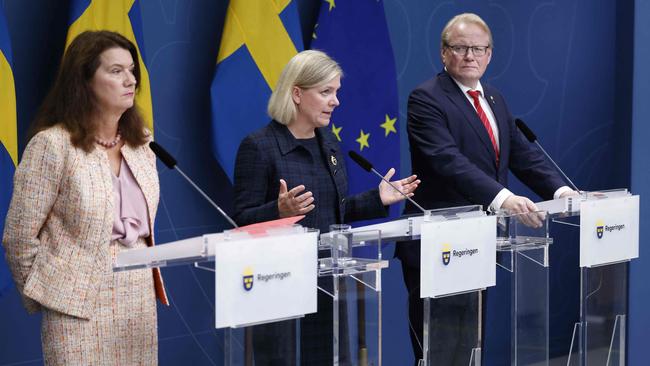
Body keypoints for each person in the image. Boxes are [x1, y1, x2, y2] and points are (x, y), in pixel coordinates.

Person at [396, 13, 575, 365]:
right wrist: (505, 199)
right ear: (443, 53)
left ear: (490, 54)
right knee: (439, 349)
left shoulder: (493, 98)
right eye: (460, 48)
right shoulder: (426, 99)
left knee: (469, 345)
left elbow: (521, 154)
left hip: (478, 240)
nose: (470, 56)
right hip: (439, 243)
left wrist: (561, 191)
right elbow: (447, 161)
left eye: (478, 48)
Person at [233, 50, 419, 365]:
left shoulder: (329, 146)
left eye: (336, 92)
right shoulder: (260, 147)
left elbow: (334, 212)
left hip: (327, 284)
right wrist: (278, 213)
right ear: (296, 93)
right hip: (279, 289)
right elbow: (240, 221)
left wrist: (378, 198)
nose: (335, 101)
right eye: (325, 92)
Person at [2, 30, 168, 365]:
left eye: (132, 70)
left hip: (138, 299)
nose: (130, 80)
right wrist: (53, 292)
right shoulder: (53, 145)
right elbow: (18, 237)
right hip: (76, 305)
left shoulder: (143, 144)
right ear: (85, 80)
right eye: (116, 71)